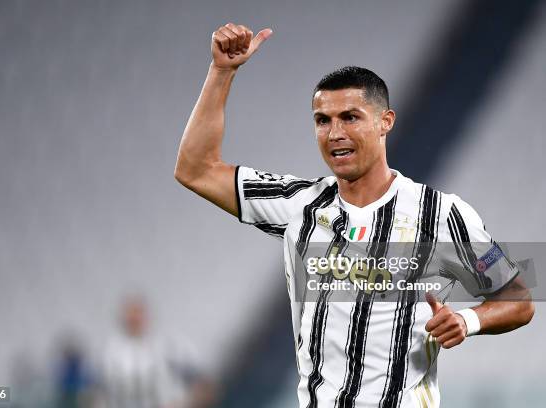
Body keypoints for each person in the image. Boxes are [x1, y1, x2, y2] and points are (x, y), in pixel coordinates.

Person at [174, 22, 534, 408]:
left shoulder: (441, 214)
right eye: (322, 120)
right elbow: (195, 169)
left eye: (350, 117)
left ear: (386, 122)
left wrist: (467, 322)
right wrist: (221, 72)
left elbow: (519, 298)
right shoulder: (300, 204)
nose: (334, 133)